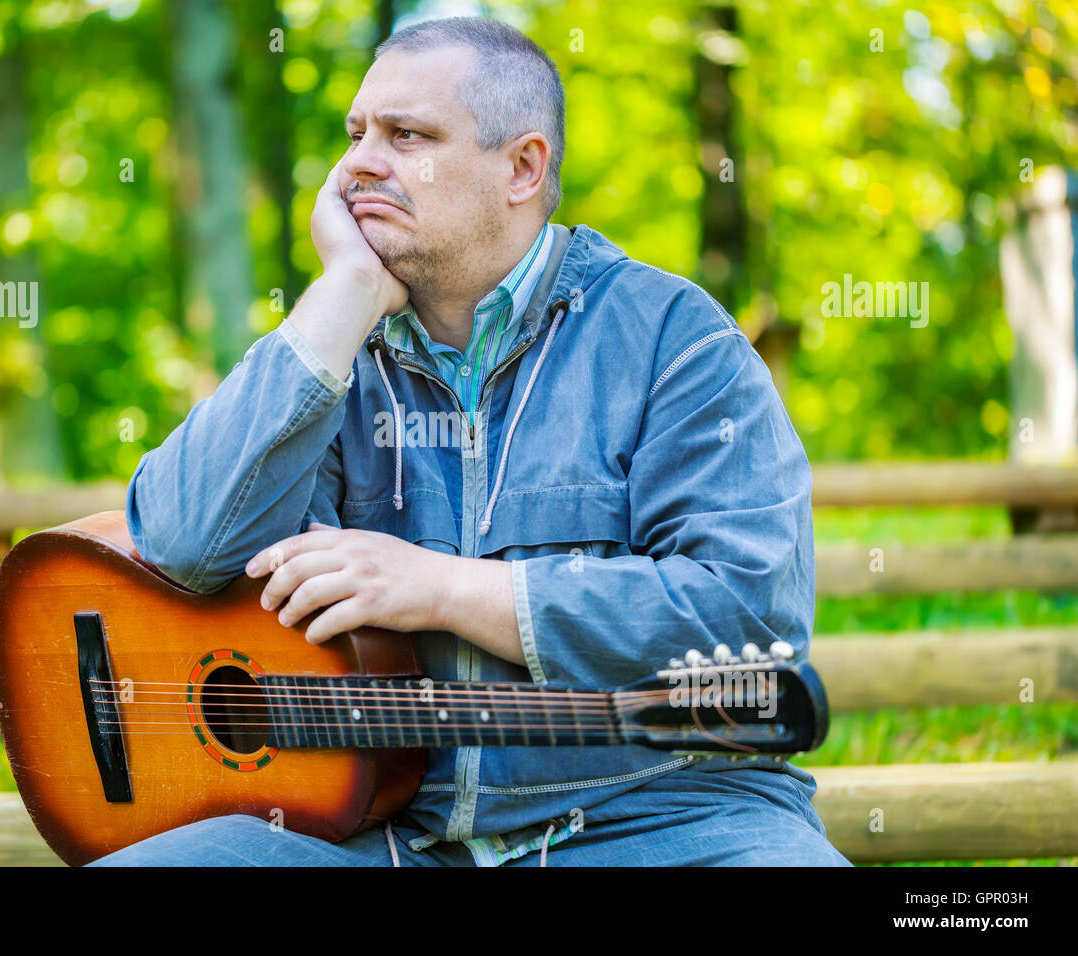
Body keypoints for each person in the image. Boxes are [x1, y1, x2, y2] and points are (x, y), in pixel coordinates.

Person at [92, 15, 849, 867]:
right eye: (356, 135)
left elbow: (747, 615)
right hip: (381, 839)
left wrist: (447, 590)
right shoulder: (331, 351)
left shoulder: (676, 340)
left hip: (664, 820)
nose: (358, 165)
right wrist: (340, 294)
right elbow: (179, 545)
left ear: (523, 167)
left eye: (406, 135)